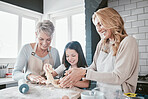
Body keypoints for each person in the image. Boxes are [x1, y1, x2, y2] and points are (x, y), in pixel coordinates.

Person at [59, 7, 139, 94]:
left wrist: (84, 73)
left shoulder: (128, 42)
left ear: (111, 20)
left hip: (121, 96)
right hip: (102, 94)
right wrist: (76, 74)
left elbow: (118, 77)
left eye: (100, 24)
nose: (98, 29)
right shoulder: (102, 44)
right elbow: (93, 67)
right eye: (96, 26)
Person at [12, 20, 61, 84]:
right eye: (41, 39)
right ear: (36, 34)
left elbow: (59, 73)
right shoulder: (26, 49)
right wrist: (29, 76)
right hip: (30, 89)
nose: (44, 43)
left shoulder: (54, 52)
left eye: (48, 40)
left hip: (49, 89)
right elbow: (15, 74)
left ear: (52, 37)